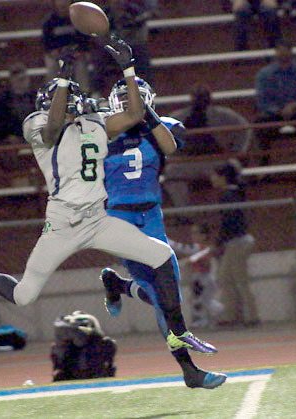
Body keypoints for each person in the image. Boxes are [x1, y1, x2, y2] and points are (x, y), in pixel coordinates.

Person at [0, 35, 221, 379]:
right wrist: (63, 77)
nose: (75, 105)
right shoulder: (37, 125)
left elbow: (135, 112)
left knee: (163, 256)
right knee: (23, 295)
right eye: (66, 100)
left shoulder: (94, 125)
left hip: (99, 219)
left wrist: (129, 68)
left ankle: (178, 333)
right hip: (62, 225)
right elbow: (51, 130)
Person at [98, 77, 226, 389]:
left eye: (137, 100)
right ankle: (190, 372)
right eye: (127, 100)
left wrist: (147, 115)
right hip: (117, 218)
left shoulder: (161, 126)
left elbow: (177, 141)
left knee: (168, 294)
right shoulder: (100, 128)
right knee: (161, 295)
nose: (131, 105)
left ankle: (118, 284)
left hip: (152, 214)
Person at [210, 161, 260, 327]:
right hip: (236, 241)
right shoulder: (233, 193)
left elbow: (228, 223)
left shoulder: (228, 196)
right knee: (226, 278)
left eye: (215, 175)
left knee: (238, 280)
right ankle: (232, 315)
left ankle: (250, 316)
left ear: (223, 177)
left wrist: (218, 242)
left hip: (237, 242)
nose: (212, 178)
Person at [255, 40, 296, 164]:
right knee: (260, 125)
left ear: (291, 52)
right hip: (274, 114)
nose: (283, 54)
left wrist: (295, 106)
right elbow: (262, 101)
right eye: (280, 51)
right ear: (276, 52)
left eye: (285, 51)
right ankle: (264, 162)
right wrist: (278, 110)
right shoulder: (264, 74)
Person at [170, 223, 224, 328]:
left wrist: (166, 240)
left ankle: (205, 319)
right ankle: (205, 319)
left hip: (202, 278)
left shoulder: (199, 247)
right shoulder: (204, 248)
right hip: (203, 278)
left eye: (196, 233)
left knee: (200, 300)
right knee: (202, 300)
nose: (193, 236)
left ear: (204, 236)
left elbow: (182, 248)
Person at [0, 62, 34, 181]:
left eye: (24, 79)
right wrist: (10, 135)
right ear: (11, 80)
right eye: (19, 79)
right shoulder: (2, 100)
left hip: (35, 135)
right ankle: (17, 179)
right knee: (8, 147)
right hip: (13, 137)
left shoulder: (36, 97)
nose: (22, 81)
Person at [41, 0, 92, 90]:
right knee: (52, 66)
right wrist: (57, 53)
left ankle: (84, 94)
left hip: (76, 55)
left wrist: (78, 52)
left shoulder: (78, 19)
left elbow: (84, 41)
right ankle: (52, 94)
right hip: (57, 56)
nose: (62, 3)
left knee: (80, 66)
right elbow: (47, 45)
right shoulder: (49, 22)